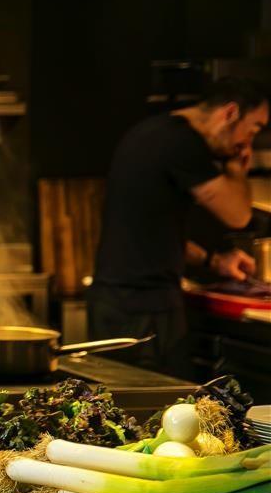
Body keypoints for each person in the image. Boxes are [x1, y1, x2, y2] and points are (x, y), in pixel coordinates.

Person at [88, 77, 267, 378]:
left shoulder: (153, 132)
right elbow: (238, 217)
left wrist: (215, 261)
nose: (249, 139)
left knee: (123, 413)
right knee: (160, 413)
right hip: (145, 312)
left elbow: (153, 233)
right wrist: (237, 167)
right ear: (230, 113)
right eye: (255, 127)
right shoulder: (184, 143)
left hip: (114, 304)